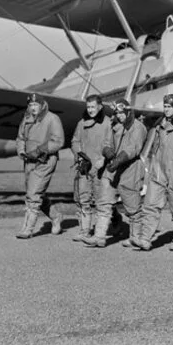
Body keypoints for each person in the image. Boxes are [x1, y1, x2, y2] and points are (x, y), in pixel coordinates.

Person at [83, 99, 147, 248]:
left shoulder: (139, 127)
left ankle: (135, 237)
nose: (119, 115)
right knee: (103, 202)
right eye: (117, 112)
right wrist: (108, 152)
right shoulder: (114, 125)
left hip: (130, 169)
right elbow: (106, 143)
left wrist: (118, 161)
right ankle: (99, 236)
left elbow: (133, 148)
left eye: (122, 113)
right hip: (111, 169)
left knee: (132, 208)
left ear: (128, 112)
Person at [133, 94, 173, 251]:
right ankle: (145, 238)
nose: (166, 110)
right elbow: (153, 146)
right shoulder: (160, 124)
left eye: (169, 107)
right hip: (159, 170)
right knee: (150, 204)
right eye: (165, 106)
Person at [15, 93, 65, 239]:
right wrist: (21, 151)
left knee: (33, 194)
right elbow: (20, 138)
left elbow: (58, 141)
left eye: (36, 105)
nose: (33, 108)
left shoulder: (52, 119)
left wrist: (40, 150)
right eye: (30, 105)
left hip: (45, 160)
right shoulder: (27, 119)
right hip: (29, 161)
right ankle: (56, 217)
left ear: (43, 105)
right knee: (36, 193)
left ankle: (27, 229)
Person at [69, 94, 112, 242]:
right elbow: (75, 141)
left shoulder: (108, 123)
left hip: (101, 168)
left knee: (101, 201)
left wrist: (104, 159)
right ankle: (84, 230)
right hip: (84, 168)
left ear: (100, 106)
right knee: (83, 199)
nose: (91, 110)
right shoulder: (81, 123)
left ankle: (100, 234)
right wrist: (78, 154)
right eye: (88, 107)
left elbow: (110, 144)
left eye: (93, 107)